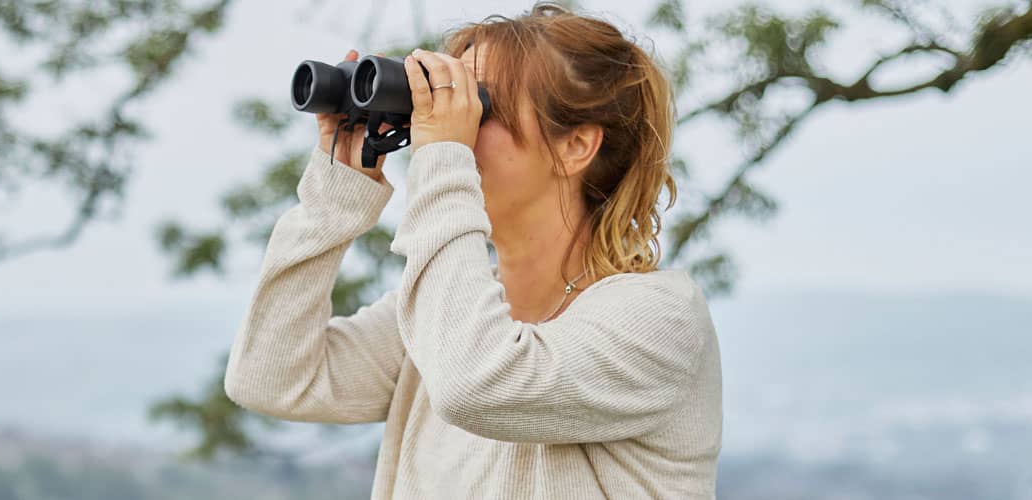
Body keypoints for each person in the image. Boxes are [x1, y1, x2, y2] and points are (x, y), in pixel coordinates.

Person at [222, 4, 721, 498]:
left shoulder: (660, 317)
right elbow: (272, 377)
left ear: (576, 146)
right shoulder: (440, 313)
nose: (443, 128)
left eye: (479, 107)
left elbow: (474, 386)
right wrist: (336, 195)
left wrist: (443, 157)